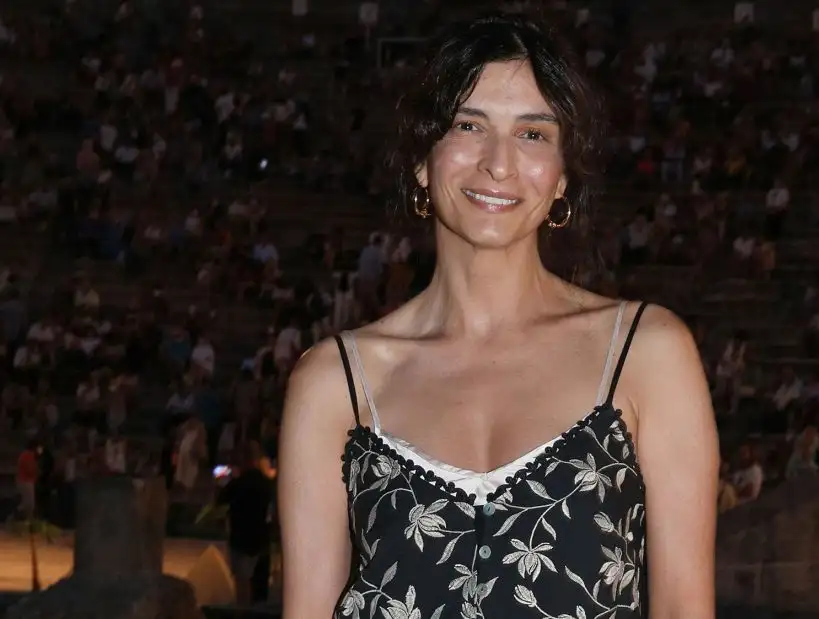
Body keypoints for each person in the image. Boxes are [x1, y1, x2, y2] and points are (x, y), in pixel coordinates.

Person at [279, 14, 718, 619]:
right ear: (422, 159)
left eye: (533, 134)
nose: (499, 163)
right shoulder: (335, 383)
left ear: (562, 177)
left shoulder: (646, 354)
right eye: (468, 125)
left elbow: (684, 608)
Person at [217, 443, 275, 605]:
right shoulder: (266, 483)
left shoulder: (237, 484)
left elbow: (219, 503)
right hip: (261, 538)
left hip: (241, 538)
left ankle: (243, 610)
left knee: (242, 581)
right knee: (259, 584)